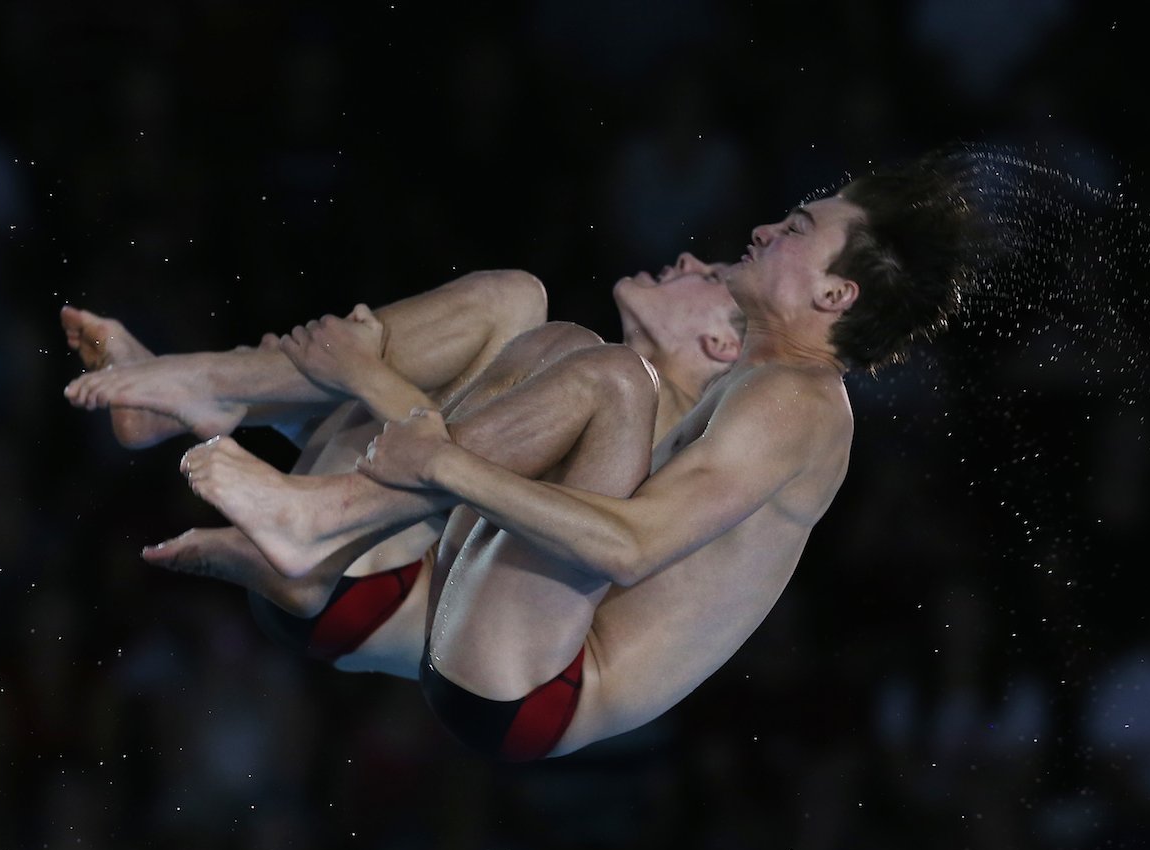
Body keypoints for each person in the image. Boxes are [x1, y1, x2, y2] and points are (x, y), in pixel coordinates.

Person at [171, 152, 986, 762]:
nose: (769, 227)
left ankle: (315, 510)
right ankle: (239, 420)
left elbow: (631, 547)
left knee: (605, 375)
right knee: (562, 345)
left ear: (834, 296)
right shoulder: (764, 388)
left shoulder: (797, 403)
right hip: (492, 636)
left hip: (542, 687)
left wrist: (437, 457)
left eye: (799, 229)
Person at [63, 254, 745, 676]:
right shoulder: (608, 383)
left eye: (710, 276)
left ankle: (213, 389)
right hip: (354, 557)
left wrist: (362, 374)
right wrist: (319, 392)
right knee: (519, 303)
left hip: (365, 585)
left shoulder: (645, 425)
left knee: (534, 319)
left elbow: (466, 499)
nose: (688, 257)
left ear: (719, 342)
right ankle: (209, 392)